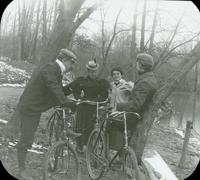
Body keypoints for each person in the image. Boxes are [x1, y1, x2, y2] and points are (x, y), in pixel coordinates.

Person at [14, 48, 80, 180]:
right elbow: (53, 88)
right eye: (71, 63)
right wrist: (66, 102)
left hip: (36, 108)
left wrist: (74, 86)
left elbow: (59, 90)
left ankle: (66, 131)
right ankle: (21, 170)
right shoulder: (50, 68)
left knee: (28, 137)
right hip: (30, 108)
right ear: (65, 60)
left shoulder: (56, 71)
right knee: (26, 139)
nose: (71, 67)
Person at [110, 53, 158, 152]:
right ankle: (120, 152)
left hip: (136, 116)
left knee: (110, 121)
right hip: (140, 115)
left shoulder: (145, 81)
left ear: (141, 65)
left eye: (137, 63)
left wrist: (118, 106)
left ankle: (115, 152)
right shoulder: (149, 78)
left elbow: (136, 105)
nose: (136, 66)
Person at [63, 59, 110, 153]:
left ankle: (91, 147)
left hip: (95, 106)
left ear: (97, 71)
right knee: (80, 125)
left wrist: (97, 101)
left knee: (92, 126)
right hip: (83, 105)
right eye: (90, 71)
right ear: (87, 71)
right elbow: (72, 89)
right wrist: (78, 97)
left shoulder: (101, 82)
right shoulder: (82, 80)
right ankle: (80, 146)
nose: (92, 73)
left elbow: (104, 95)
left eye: (94, 71)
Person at [108, 67, 134, 151]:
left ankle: (120, 150)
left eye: (118, 74)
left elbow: (133, 93)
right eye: (114, 74)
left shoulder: (126, 84)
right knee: (110, 130)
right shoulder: (111, 85)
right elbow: (110, 96)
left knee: (121, 131)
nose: (116, 76)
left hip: (122, 111)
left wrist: (132, 87)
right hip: (112, 110)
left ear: (121, 75)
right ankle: (110, 149)